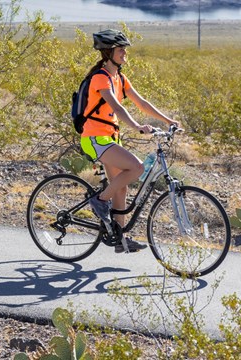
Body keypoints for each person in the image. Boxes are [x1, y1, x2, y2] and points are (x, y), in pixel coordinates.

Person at [81, 29, 180, 253]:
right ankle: (99, 200)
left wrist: (168, 120)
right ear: (108, 53)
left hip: (109, 138)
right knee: (136, 167)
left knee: (122, 188)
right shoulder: (100, 78)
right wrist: (136, 126)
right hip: (95, 138)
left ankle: (119, 240)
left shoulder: (120, 78)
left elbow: (141, 102)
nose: (125, 52)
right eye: (120, 49)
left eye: (124, 48)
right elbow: (117, 107)